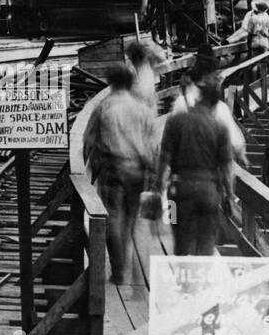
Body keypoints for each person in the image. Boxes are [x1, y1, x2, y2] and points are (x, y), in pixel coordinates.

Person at [84, 64, 157, 284]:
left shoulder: (104, 107)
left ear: (112, 83)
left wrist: (87, 171)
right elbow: (152, 143)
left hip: (113, 168)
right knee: (129, 218)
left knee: (113, 217)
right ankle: (124, 260)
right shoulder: (142, 108)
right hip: (138, 171)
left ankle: (118, 270)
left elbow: (88, 138)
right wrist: (153, 170)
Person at [158, 78, 234, 257]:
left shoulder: (176, 121)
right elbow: (226, 166)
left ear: (198, 98)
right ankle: (201, 280)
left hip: (177, 192)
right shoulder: (220, 127)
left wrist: (157, 186)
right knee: (206, 243)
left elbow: (164, 157)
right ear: (215, 103)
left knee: (180, 241)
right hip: (209, 192)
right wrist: (229, 195)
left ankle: (182, 280)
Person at [124, 36, 160, 112]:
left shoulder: (137, 66)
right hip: (148, 100)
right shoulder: (147, 63)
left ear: (134, 56)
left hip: (141, 102)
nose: (129, 58)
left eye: (129, 56)